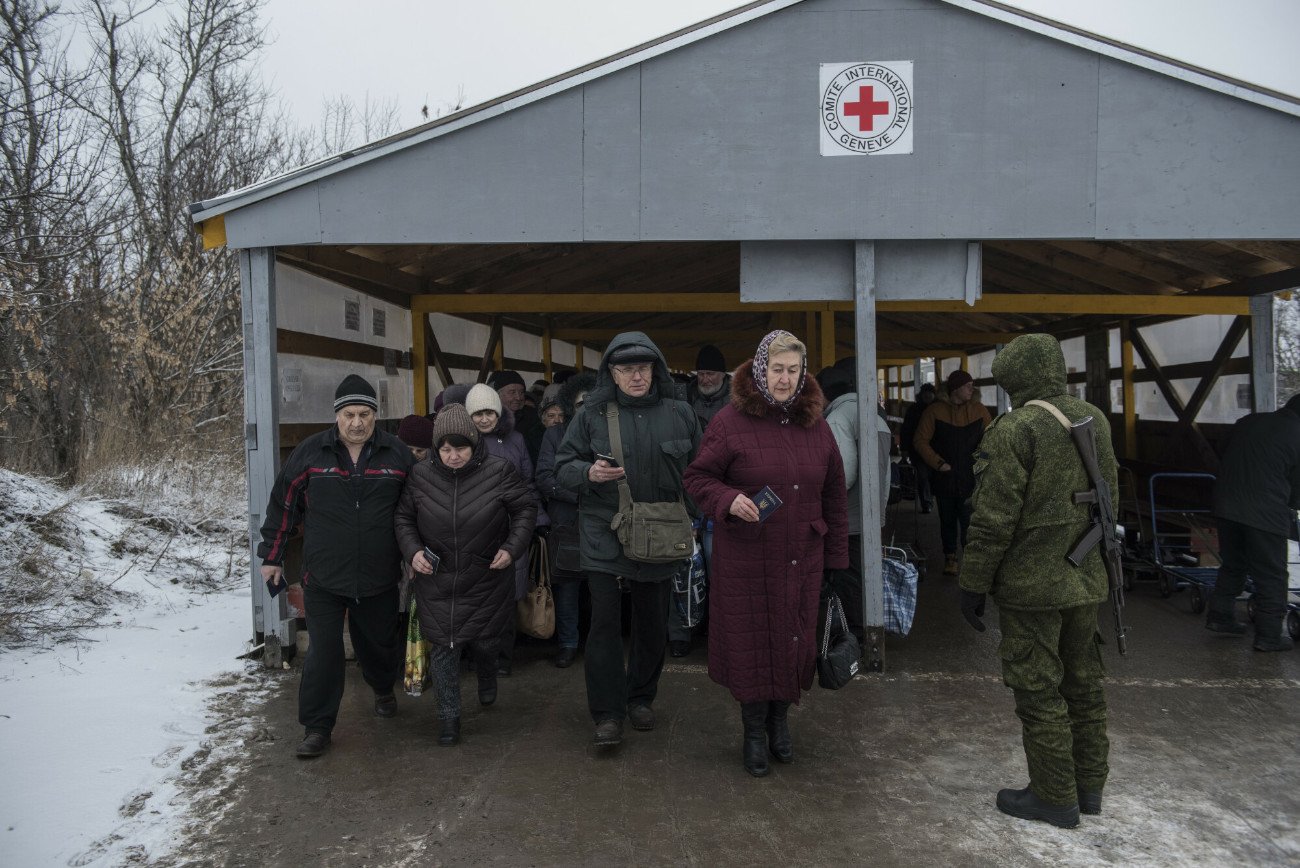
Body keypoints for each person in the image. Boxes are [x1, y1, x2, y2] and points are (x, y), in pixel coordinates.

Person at [956, 333, 1116, 829]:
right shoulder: (1096, 420)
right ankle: (1088, 787)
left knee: (1039, 688)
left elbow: (992, 519)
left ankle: (1053, 796)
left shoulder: (1015, 428)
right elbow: (1108, 496)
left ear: (1016, 379)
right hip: (1085, 576)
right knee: (1084, 685)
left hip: (1033, 587)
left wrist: (972, 583)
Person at [683, 330, 849, 777]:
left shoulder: (818, 425)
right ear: (760, 369)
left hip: (803, 557)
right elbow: (698, 479)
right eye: (777, 369)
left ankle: (781, 724)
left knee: (794, 641)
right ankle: (753, 732)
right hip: (748, 559)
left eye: (793, 370)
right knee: (753, 643)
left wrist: (837, 561)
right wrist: (726, 500)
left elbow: (834, 496)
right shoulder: (729, 422)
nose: (785, 379)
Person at [555, 332, 702, 747]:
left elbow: (698, 472)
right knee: (603, 624)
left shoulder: (681, 414)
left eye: (643, 368)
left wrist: (691, 519)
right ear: (611, 374)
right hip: (604, 531)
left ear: (655, 370)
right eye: (626, 369)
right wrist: (588, 474)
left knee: (652, 621)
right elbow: (561, 466)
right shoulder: (591, 416)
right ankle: (607, 713)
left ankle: (640, 698)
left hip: (660, 533)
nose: (636, 376)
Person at [257, 374, 414, 759]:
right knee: (323, 654)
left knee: (377, 647)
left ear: (376, 415)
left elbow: (416, 508)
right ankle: (317, 727)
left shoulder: (396, 455)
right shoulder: (311, 453)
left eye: (364, 413)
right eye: (349, 414)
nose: (357, 422)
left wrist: (417, 554)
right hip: (324, 576)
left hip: (378, 575)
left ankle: (381, 688)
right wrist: (272, 556)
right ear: (337, 416)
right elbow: (283, 504)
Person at [394, 404, 536, 745]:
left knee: (486, 641)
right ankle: (448, 719)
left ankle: (488, 676)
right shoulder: (420, 476)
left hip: (486, 575)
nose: (453, 456)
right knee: (444, 646)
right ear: (436, 448)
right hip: (437, 578)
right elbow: (403, 519)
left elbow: (525, 508)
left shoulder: (499, 472)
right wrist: (412, 552)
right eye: (445, 448)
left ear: (474, 445)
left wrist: (512, 548)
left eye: (460, 448)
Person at [465, 383, 547, 674]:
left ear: (498, 413)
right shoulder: (462, 442)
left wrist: (535, 520)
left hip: (511, 526)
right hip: (473, 528)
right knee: (476, 594)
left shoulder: (516, 439)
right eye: (478, 414)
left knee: (508, 595)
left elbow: (527, 481)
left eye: (489, 412)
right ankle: (478, 657)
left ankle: (503, 658)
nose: (485, 419)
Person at [1208, 393, 1300, 651]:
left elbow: (1222, 450)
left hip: (1226, 505)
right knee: (1271, 574)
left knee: (1233, 564)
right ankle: (1269, 636)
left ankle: (1220, 616)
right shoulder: (1297, 434)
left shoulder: (1249, 421)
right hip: (1265, 513)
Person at [667, 344, 733, 658]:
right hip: (686, 493)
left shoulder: (737, 403)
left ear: (724, 374)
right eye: (702, 373)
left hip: (721, 498)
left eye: (712, 373)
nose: (706, 378)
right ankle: (680, 633)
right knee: (682, 573)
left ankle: (718, 634)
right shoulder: (682, 400)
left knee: (719, 573)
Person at [824, 363, 892, 643]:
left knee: (847, 581)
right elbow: (886, 475)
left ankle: (852, 641)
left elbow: (842, 475)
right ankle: (867, 634)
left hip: (849, 520)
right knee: (867, 579)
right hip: (872, 517)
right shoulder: (876, 417)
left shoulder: (838, 417)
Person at [535, 372, 596, 668]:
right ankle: (568, 643)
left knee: (600, 586)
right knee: (568, 587)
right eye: (579, 402)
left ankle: (598, 643)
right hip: (567, 521)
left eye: (590, 401)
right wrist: (580, 495)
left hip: (601, 521)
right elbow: (544, 477)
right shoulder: (554, 435)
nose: (585, 406)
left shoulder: (607, 431)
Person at [914, 369, 992, 576]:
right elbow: (920, 441)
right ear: (956, 388)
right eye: (967, 386)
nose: (971, 389)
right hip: (945, 477)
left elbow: (992, 442)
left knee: (970, 520)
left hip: (970, 477)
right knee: (947, 519)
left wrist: (982, 464)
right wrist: (938, 463)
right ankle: (950, 557)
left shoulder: (980, 410)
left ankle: (971, 560)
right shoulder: (934, 411)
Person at [491, 369, 544, 464]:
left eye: (521, 392)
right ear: (498, 395)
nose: (518, 397)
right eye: (512, 392)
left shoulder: (533, 416)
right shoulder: (488, 418)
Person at [899, 382, 937, 513]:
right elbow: (906, 430)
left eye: (929, 393)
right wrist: (904, 449)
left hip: (935, 450)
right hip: (918, 451)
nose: (927, 396)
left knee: (929, 476)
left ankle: (929, 499)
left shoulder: (938, 409)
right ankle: (927, 502)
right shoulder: (914, 410)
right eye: (925, 393)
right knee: (923, 476)